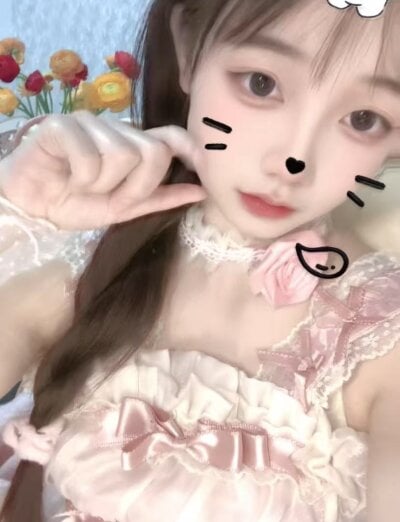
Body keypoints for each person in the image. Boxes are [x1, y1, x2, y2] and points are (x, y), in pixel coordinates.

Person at [0, 0, 399, 519]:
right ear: (188, 48)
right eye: (260, 83)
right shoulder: (92, 246)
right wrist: (15, 215)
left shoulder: (376, 333)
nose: (293, 161)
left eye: (364, 119)